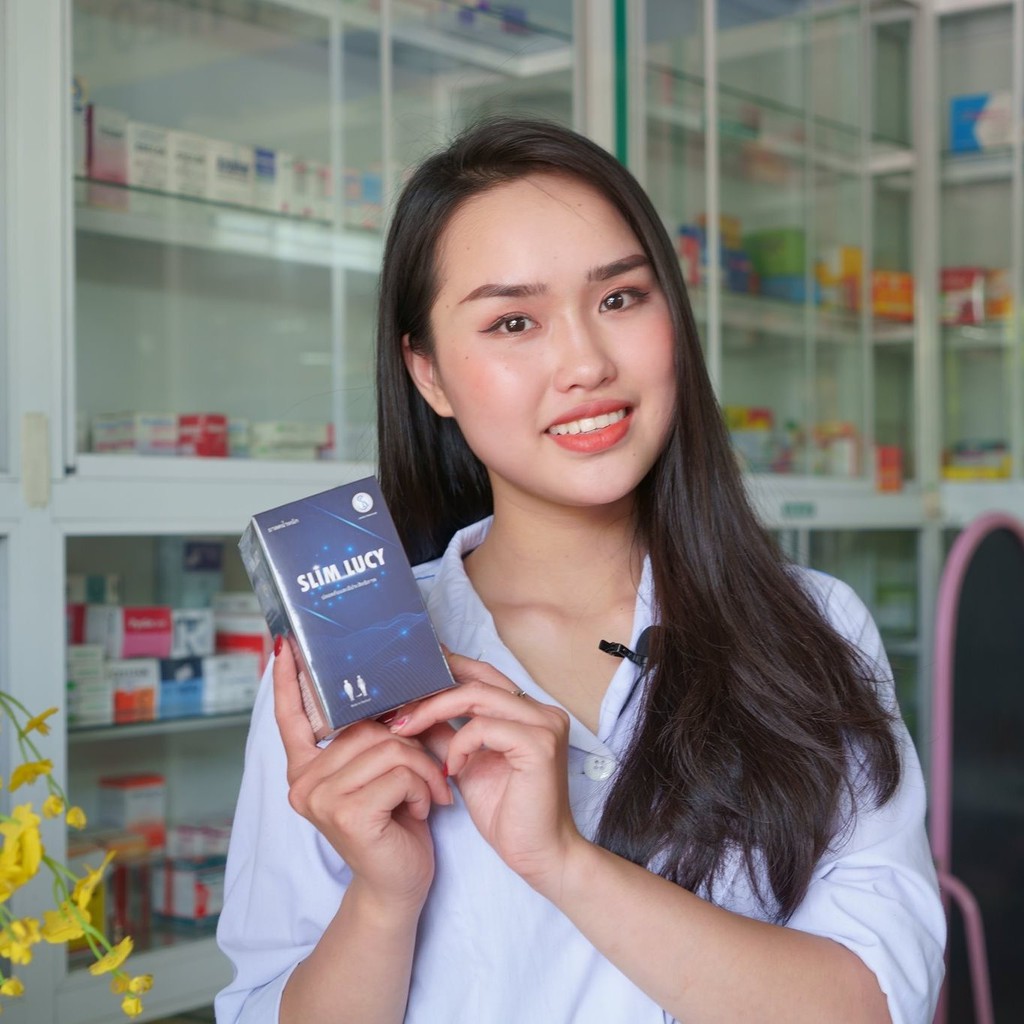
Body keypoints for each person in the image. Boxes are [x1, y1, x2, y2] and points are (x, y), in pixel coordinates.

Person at [215, 116, 945, 1024]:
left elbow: (877, 1004)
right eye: (514, 321)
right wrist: (383, 899)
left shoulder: (814, 624)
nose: (586, 364)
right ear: (428, 373)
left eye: (620, 298)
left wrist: (563, 860)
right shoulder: (342, 672)